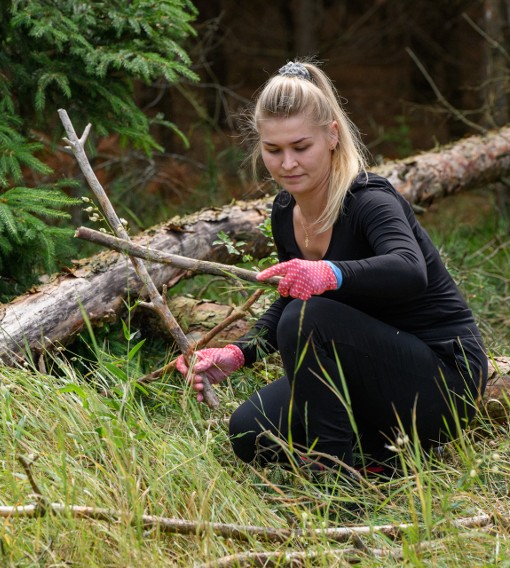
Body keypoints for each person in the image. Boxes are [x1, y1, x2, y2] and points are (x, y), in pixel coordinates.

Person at [174, 60, 487, 474]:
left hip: (442, 380)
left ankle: (336, 481)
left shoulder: (369, 200)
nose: (287, 163)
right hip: (368, 373)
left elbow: (410, 270)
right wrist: (238, 353)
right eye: (274, 150)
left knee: (313, 314)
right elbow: (290, 302)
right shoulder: (286, 211)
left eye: (301, 147)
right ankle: (379, 462)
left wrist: (331, 273)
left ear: (332, 136)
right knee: (249, 431)